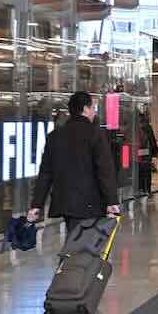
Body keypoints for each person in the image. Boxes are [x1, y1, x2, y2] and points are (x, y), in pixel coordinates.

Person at [28, 92, 121, 227]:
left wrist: (37, 204)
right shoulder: (95, 134)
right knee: (85, 243)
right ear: (85, 109)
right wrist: (111, 200)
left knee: (75, 237)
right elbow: (104, 170)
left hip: (64, 201)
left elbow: (45, 172)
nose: (94, 113)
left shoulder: (55, 135)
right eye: (92, 108)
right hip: (90, 202)